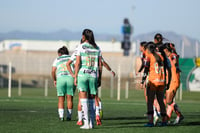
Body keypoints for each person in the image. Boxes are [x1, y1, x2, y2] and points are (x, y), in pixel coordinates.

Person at [67, 29, 102, 129]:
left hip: (83, 75)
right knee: (92, 100)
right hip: (94, 75)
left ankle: (86, 123)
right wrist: (99, 78)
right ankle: (92, 123)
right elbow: (100, 65)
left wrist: (75, 76)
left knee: (83, 100)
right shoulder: (97, 48)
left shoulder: (81, 47)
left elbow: (77, 63)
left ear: (83, 37)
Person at [144, 43, 167, 127]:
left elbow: (146, 69)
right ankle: (164, 121)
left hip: (153, 81)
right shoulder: (161, 56)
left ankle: (150, 122)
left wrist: (143, 80)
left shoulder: (150, 56)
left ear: (149, 50)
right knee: (161, 101)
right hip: (161, 81)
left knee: (150, 102)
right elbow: (165, 68)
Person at [51, 46, 75, 121]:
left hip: (60, 78)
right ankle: (69, 116)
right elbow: (76, 66)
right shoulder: (71, 57)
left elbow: (53, 71)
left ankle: (61, 116)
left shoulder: (57, 59)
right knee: (69, 99)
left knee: (61, 99)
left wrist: (55, 80)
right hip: (70, 78)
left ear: (60, 53)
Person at [163, 43, 184, 125]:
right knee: (168, 101)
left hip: (174, 81)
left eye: (164, 49)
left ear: (166, 49)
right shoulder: (170, 55)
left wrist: (176, 66)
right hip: (172, 81)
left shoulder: (172, 55)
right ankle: (167, 119)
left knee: (168, 101)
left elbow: (174, 59)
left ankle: (179, 115)